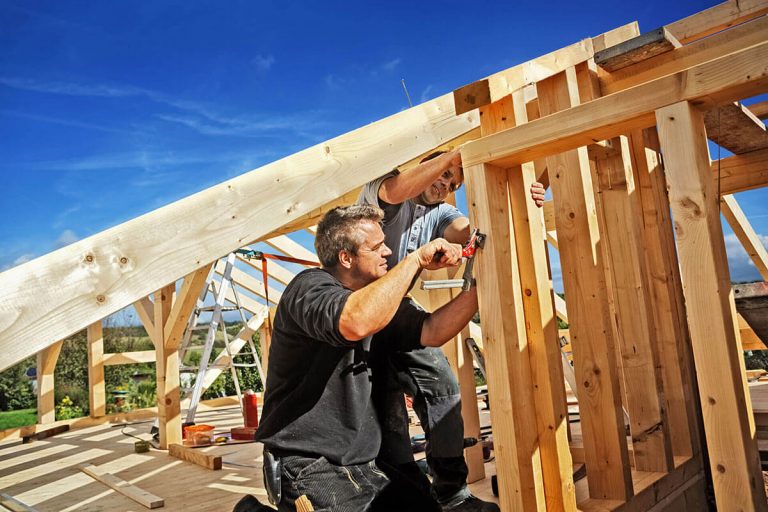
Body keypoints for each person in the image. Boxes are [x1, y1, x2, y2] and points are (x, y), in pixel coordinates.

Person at [253, 204, 480, 512]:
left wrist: (480, 289)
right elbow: (353, 322)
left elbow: (433, 330)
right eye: (376, 247)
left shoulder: (380, 301)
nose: (388, 251)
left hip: (370, 461)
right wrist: (415, 260)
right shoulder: (308, 288)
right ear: (346, 258)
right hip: (309, 463)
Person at [358, 148, 544, 511]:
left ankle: (451, 492)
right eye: (440, 176)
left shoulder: (441, 212)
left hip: (394, 309)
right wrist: (450, 157)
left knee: (442, 385)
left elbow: (471, 232)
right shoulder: (389, 189)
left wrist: (522, 197)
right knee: (382, 413)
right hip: (356, 308)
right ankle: (394, 496)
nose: (443, 185)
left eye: (452, 183)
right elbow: (394, 192)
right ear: (425, 166)